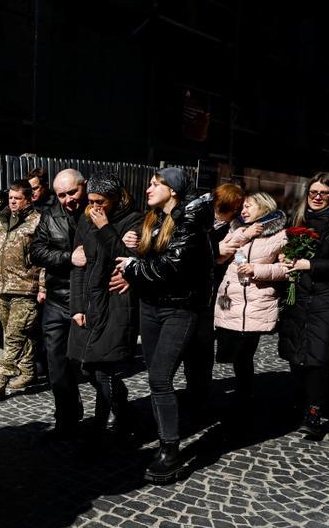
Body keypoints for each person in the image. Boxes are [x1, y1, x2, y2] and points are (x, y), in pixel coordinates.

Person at [116, 168, 212, 483]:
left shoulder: (189, 220)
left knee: (159, 376)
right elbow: (155, 256)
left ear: (173, 190)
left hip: (179, 308)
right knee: (158, 379)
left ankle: (170, 450)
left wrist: (133, 266)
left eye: (156, 184)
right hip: (151, 305)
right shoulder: (155, 219)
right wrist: (135, 246)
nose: (148, 188)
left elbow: (172, 265)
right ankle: (164, 438)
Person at [276, 172, 329, 440]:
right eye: (313, 192)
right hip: (298, 295)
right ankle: (303, 398)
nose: (317, 197)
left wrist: (310, 265)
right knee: (295, 353)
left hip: (328, 298)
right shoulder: (297, 218)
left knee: (318, 356)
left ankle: (315, 410)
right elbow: (289, 249)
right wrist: (285, 255)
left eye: (323, 194)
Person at [66, 172, 142, 438]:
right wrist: (76, 307)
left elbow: (128, 262)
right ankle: (120, 404)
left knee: (103, 366)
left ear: (116, 197)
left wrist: (105, 228)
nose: (95, 207)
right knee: (86, 366)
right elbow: (78, 265)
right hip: (88, 302)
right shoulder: (86, 218)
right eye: (91, 200)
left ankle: (102, 429)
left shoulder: (135, 219)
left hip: (116, 304)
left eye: (101, 201)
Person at [211, 191, 289, 419]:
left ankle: (243, 396)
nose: (242, 211)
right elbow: (218, 256)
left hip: (256, 302)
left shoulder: (280, 236)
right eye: (242, 207)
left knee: (244, 354)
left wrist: (259, 270)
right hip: (230, 300)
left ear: (264, 208)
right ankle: (237, 392)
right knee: (228, 352)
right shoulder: (237, 229)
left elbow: (287, 269)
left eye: (248, 206)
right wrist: (244, 235)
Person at [29, 168, 86, 438]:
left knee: (91, 365)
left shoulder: (97, 211)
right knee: (56, 362)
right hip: (57, 298)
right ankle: (66, 414)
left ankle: (115, 413)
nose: (68, 200)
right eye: (62, 195)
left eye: (72, 192)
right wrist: (67, 257)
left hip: (89, 300)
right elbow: (37, 252)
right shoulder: (50, 216)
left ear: (83, 186)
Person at [182, 183, 244, 412]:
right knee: (188, 347)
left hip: (213, 295)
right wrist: (215, 252)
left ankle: (198, 395)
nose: (224, 215)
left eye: (229, 211)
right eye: (221, 209)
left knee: (202, 347)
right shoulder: (198, 218)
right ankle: (191, 391)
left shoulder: (235, 227)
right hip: (190, 292)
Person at [0, 179, 41, 398]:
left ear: (29, 199)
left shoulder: (37, 223)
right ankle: (28, 370)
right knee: (21, 334)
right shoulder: (0, 225)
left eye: (17, 198)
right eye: (10, 198)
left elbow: (43, 260)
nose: (12, 202)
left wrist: (42, 287)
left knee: (14, 336)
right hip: (2, 289)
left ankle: (0, 380)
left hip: (25, 289)